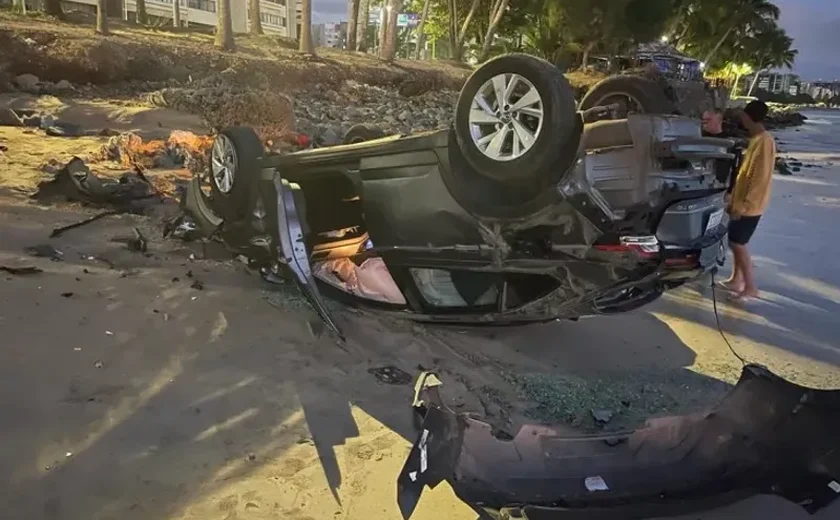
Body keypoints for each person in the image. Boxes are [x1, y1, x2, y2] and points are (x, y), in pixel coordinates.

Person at [720, 100, 776, 301]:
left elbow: (759, 178)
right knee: (735, 241)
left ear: (749, 116)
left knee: (738, 243)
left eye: (743, 115)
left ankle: (750, 286)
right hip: (744, 202)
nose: (741, 119)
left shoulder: (764, 141)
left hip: (750, 205)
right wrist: (733, 197)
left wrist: (742, 206)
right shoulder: (758, 139)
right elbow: (745, 175)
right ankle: (737, 279)